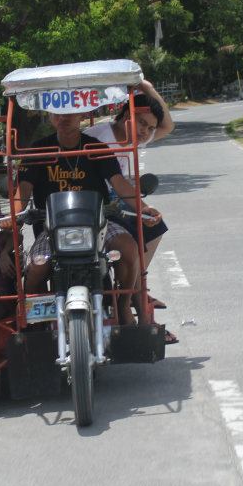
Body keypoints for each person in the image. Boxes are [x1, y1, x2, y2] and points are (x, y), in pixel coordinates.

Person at [0, 111, 161, 326]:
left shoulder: (95, 147)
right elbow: (24, 189)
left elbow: (119, 183)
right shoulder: (38, 150)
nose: (63, 118)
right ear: (50, 117)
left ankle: (122, 304)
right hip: (52, 228)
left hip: (98, 223)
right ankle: (38, 322)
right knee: (36, 268)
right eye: (56, 115)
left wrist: (145, 209)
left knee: (129, 249)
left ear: (81, 115)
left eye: (68, 114)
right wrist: (13, 214)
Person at [83, 82, 174, 313]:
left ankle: (135, 287)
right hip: (94, 204)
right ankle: (133, 294)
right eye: (141, 122)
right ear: (125, 116)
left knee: (155, 226)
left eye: (150, 128)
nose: (145, 131)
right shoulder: (96, 137)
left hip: (121, 202)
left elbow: (168, 125)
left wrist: (149, 89)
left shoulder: (135, 139)